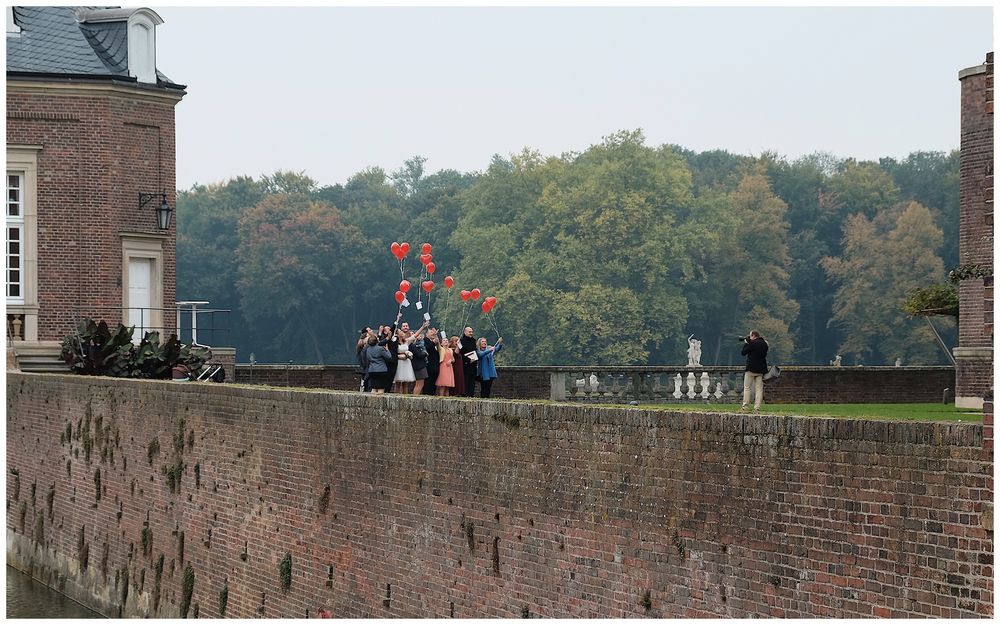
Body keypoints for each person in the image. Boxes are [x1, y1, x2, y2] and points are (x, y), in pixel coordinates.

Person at [740, 330, 769, 412]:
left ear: (753, 335)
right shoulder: (765, 344)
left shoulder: (752, 343)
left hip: (751, 369)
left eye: (750, 336)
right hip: (761, 369)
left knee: (747, 388)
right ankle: (757, 407)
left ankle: (745, 406)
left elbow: (743, 352)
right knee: (759, 389)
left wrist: (746, 343)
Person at [409, 321, 431, 394]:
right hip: (418, 366)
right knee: (419, 383)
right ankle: (415, 397)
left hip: (420, 365)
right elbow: (419, 354)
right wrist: (425, 354)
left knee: (420, 383)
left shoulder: (416, 344)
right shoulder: (412, 346)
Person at [459, 326, 478, 397]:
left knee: (472, 382)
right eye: (469, 332)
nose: (471, 333)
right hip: (465, 364)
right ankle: (465, 395)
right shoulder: (461, 341)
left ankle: (471, 395)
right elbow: (461, 353)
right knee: (466, 381)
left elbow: (475, 350)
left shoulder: (473, 340)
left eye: (472, 332)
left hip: (473, 364)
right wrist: (468, 359)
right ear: (465, 332)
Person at [421, 327, 440, 395]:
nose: (433, 334)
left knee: (433, 385)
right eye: (431, 332)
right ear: (426, 334)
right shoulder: (425, 340)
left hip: (435, 366)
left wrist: (436, 338)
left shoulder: (435, 342)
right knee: (427, 384)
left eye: (433, 333)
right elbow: (426, 349)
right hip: (428, 366)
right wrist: (433, 343)